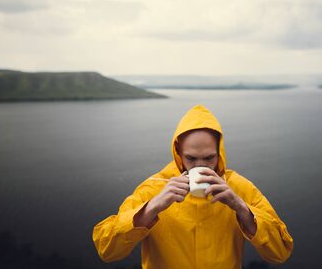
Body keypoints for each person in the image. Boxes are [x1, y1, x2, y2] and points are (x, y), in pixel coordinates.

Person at [92, 105, 293, 268]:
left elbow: (280, 252)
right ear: (178, 151)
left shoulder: (238, 188)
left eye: (209, 158)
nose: (200, 166)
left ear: (219, 153)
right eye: (191, 158)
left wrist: (241, 208)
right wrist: (151, 208)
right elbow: (106, 250)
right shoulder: (153, 188)